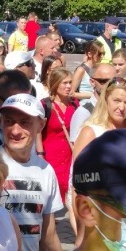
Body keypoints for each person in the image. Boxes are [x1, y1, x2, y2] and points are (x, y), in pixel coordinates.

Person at [0, 93, 64, 251]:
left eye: (25, 122)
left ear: (41, 125)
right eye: (9, 121)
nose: (15, 130)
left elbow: (49, 236)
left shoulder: (45, 170)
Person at [73, 77, 126, 157]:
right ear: (106, 100)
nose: (121, 108)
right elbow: (79, 168)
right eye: (117, 100)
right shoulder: (90, 132)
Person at [41, 67, 77, 202]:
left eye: (70, 82)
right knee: (51, 192)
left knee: (68, 192)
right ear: (56, 84)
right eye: (65, 83)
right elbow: (38, 131)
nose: (68, 86)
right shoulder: (45, 105)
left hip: (69, 155)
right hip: (50, 155)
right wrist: (40, 154)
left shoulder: (74, 104)